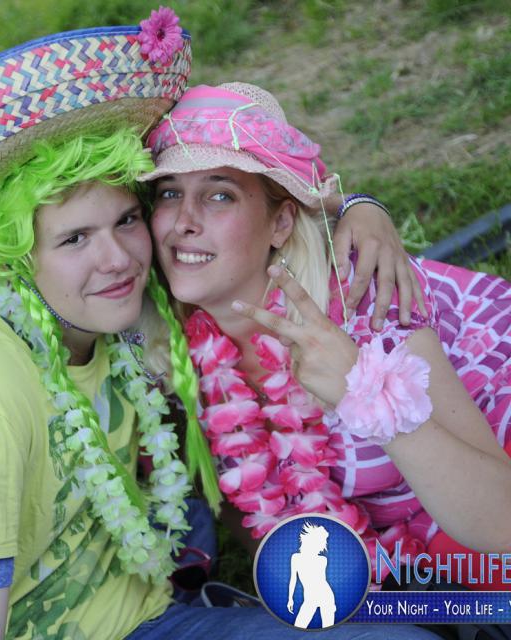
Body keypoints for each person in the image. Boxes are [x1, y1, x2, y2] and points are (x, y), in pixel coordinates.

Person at [0, 11, 441, 640]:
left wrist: (358, 205)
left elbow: (252, 196)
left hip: (143, 590)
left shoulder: (116, 303)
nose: (119, 260)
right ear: (13, 257)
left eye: (125, 220)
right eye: (74, 239)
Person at [140, 81, 511, 589]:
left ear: (280, 223)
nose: (183, 222)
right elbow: (250, 512)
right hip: (392, 558)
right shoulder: (164, 351)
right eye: (169, 193)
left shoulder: (364, 299)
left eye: (219, 194)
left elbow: (500, 522)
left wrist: (364, 389)